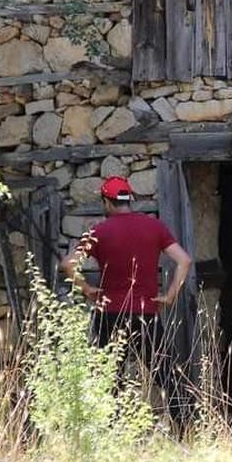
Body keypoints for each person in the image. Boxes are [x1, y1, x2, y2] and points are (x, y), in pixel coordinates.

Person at [60, 175, 193, 427]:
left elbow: (68, 264)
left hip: (109, 314)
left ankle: (112, 432)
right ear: (129, 199)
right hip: (146, 313)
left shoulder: (99, 231)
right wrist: (170, 295)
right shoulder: (154, 227)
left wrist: (86, 289)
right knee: (166, 375)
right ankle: (185, 428)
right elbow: (184, 261)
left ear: (107, 202)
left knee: (109, 378)